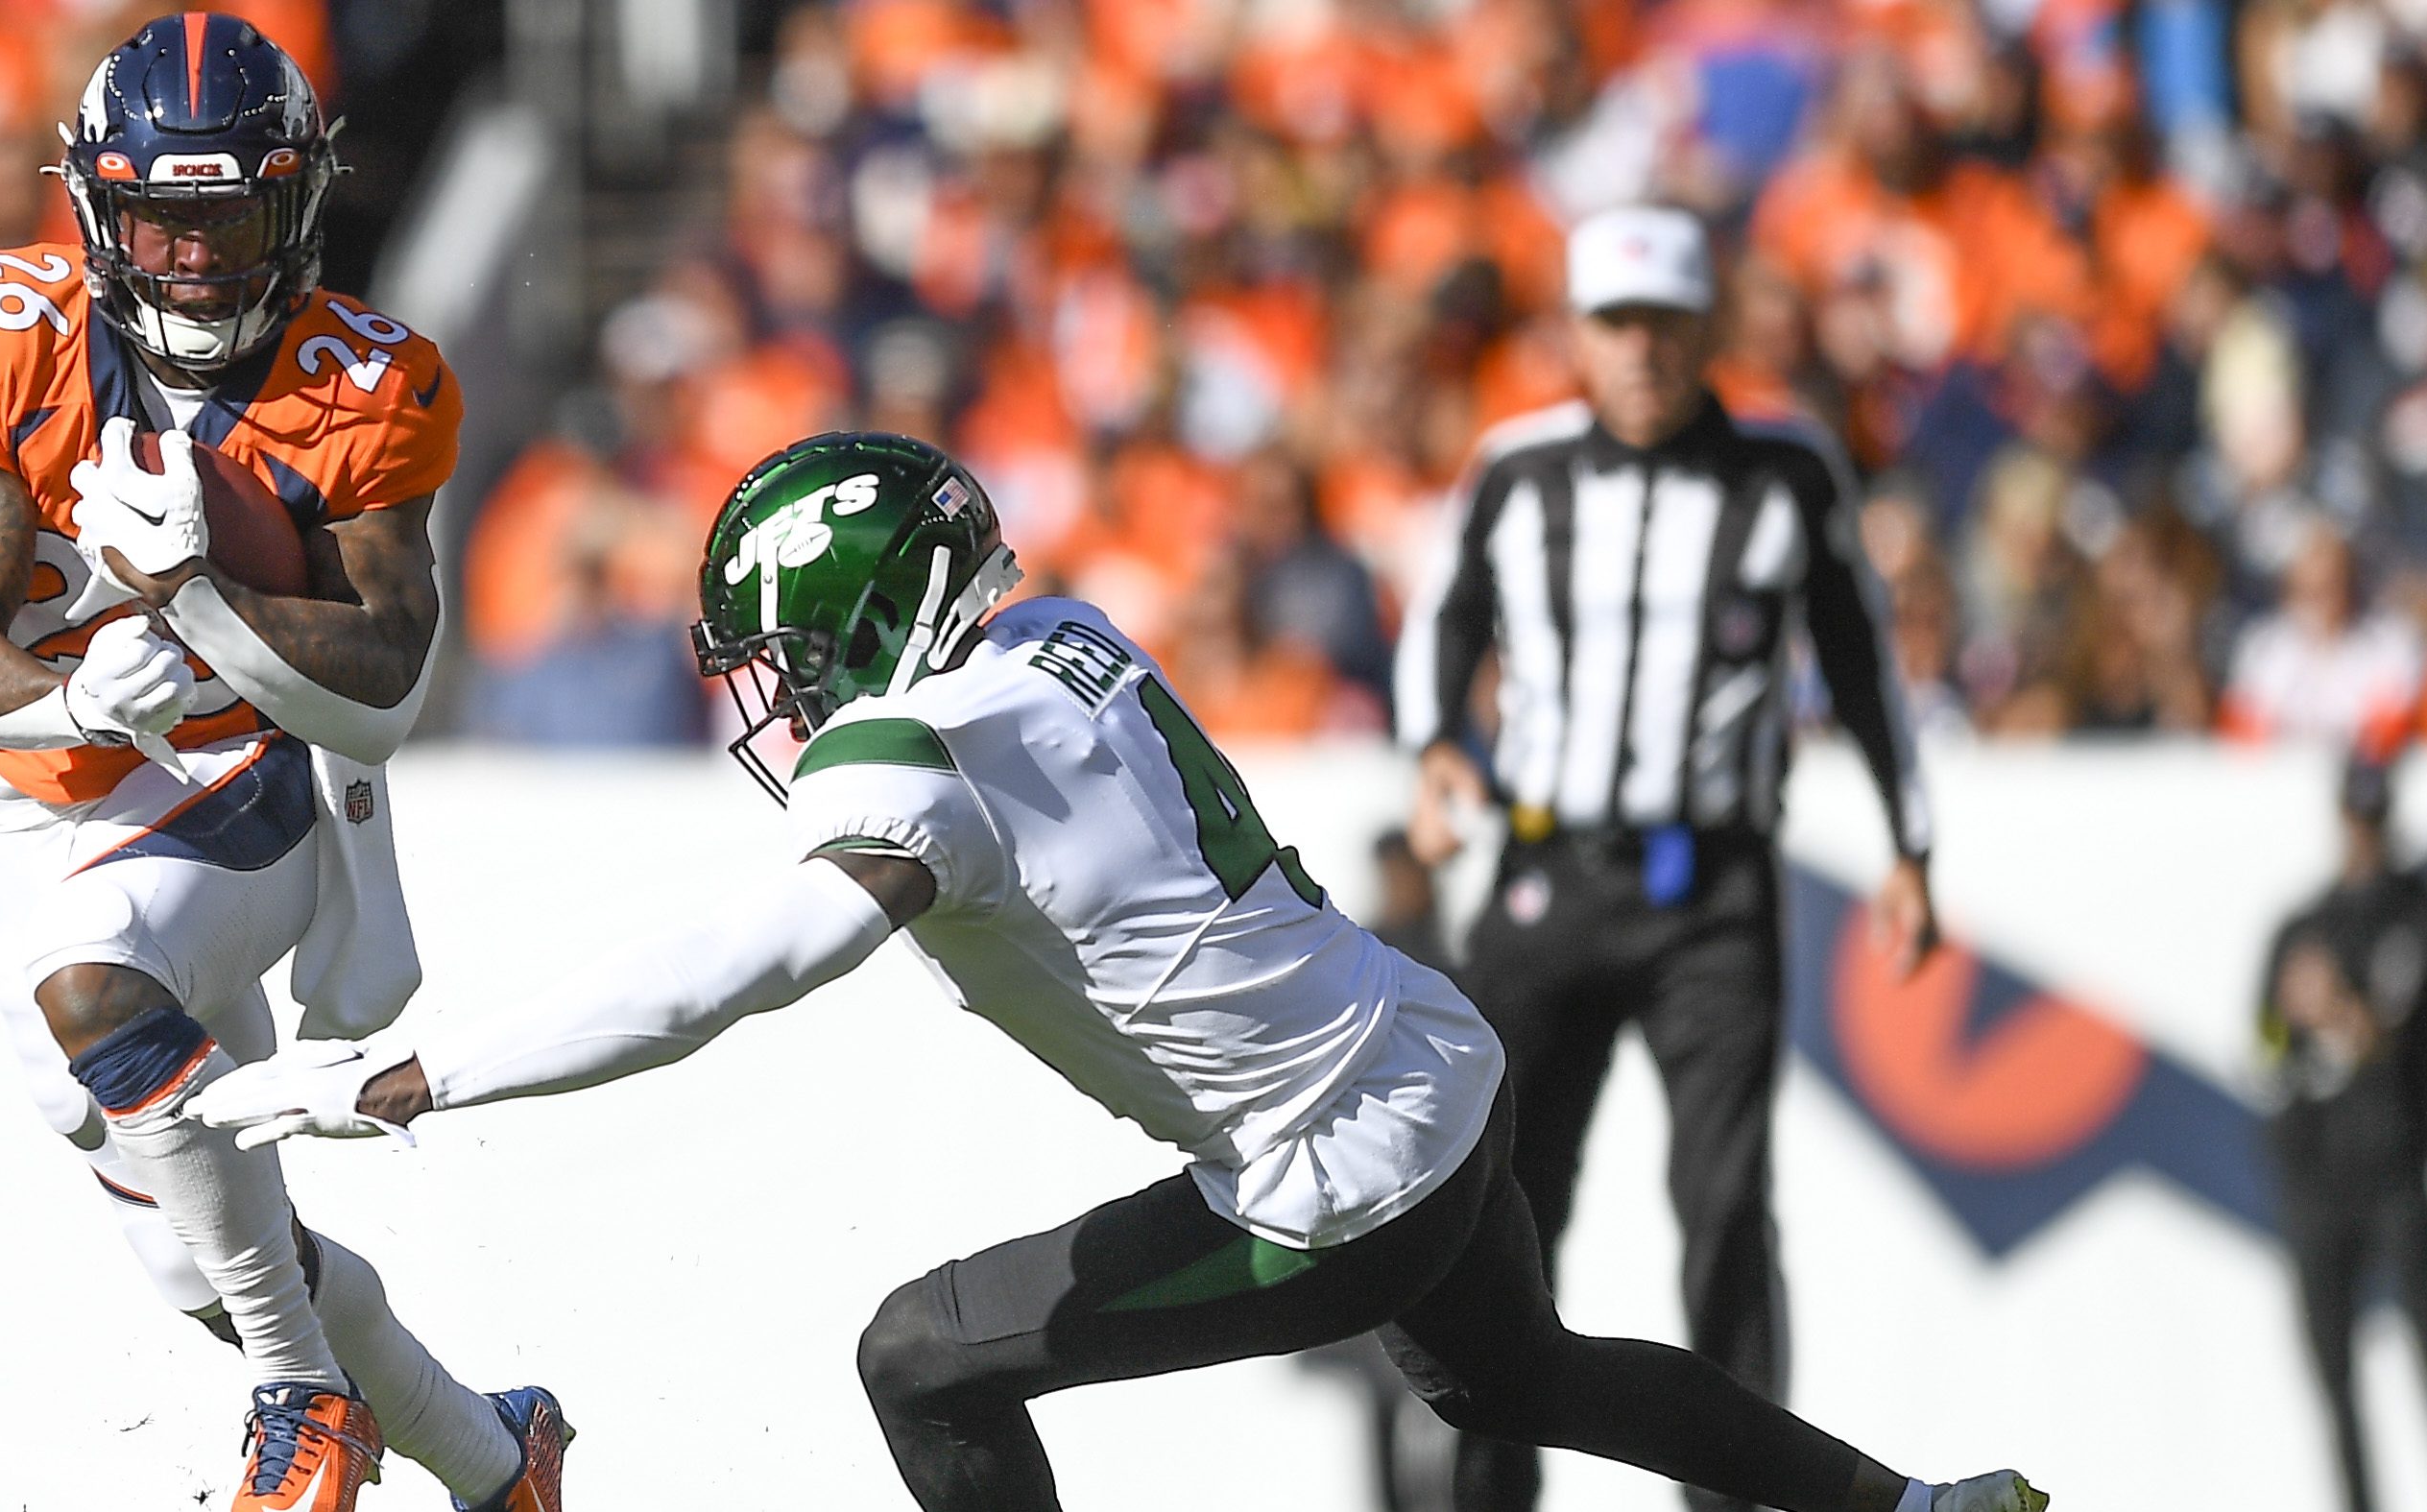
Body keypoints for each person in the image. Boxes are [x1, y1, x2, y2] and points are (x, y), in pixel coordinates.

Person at [188, 431, 2044, 1512]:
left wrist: (409, 1073)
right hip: (1429, 1049)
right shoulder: (1061, 635)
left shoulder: (915, 754)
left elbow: (725, 977)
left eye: (783, 656)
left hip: (1334, 1167)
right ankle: (1907, 1511)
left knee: (919, 1361)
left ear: (854, 631)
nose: (777, 701)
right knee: (1513, 1379)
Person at [0, 15, 565, 1511]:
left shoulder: (365, 381)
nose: (194, 256)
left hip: (258, 778)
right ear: (94, 206)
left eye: (228, 216)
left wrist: (200, 601)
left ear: (299, 201)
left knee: (94, 984)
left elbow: (385, 676)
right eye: (161, 219)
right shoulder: (2, 330)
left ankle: (302, 1396)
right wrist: (76, 707)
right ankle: (489, 1449)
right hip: (54, 795)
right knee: (193, 1241)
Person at [1395, 204, 1937, 1512]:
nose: (1640, 350)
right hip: (1544, 877)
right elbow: (1441, 617)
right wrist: (1433, 747)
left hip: (1715, 887)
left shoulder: (1785, 470)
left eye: (1664, 323)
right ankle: (1490, 1493)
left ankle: (1744, 1497)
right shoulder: (1518, 467)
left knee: (1725, 1204)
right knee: (1496, 1205)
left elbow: (1860, 654)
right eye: (1615, 323)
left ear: (1706, 328)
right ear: (1577, 333)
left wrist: (1910, 843)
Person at [2260, 756, 2427, 1512]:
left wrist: (2337, 1011)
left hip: (2400, 1170)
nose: (2361, 836)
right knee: (2333, 1381)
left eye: (2372, 819)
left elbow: (2385, 1026)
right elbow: (2260, 1045)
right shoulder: (2302, 924)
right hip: (2318, 1180)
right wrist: (2295, 1015)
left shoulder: (2411, 910)